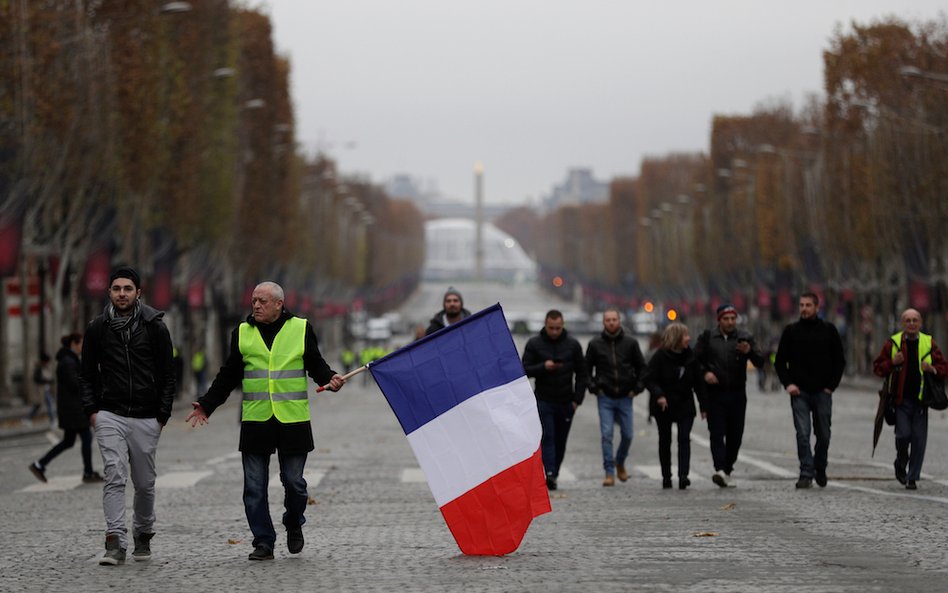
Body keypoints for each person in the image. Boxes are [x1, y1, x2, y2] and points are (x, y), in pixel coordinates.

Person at [186, 281, 345, 561]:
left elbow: (315, 363)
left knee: (295, 483)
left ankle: (294, 521)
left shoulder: (301, 328)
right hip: (256, 420)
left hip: (293, 421)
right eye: (254, 301)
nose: (256, 306)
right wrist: (207, 405)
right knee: (254, 488)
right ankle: (263, 542)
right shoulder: (242, 333)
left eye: (262, 301)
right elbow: (229, 375)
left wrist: (329, 378)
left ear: (279, 304)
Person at [79, 266, 176, 565]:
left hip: (147, 416)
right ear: (109, 292)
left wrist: (162, 414)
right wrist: (93, 412)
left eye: (128, 289)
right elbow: (87, 376)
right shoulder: (97, 329)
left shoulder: (155, 327)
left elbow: (168, 375)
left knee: (145, 484)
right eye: (117, 288)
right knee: (114, 474)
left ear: (138, 293)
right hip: (111, 414)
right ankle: (114, 540)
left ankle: (143, 533)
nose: (122, 293)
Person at [773, 292, 845, 489]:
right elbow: (780, 362)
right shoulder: (790, 331)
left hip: (823, 391)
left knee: (824, 434)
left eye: (808, 305)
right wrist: (788, 384)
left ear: (816, 307)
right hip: (800, 392)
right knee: (803, 433)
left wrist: (831, 386)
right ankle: (806, 471)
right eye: (801, 305)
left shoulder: (829, 330)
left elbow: (839, 360)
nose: (804, 309)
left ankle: (820, 466)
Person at [872, 308, 948, 490]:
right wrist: (893, 363)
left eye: (915, 320)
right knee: (903, 435)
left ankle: (912, 477)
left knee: (919, 440)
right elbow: (878, 368)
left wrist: (932, 369)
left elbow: (944, 368)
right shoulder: (893, 343)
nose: (912, 324)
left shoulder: (929, 343)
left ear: (920, 324)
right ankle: (900, 461)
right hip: (900, 402)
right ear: (902, 323)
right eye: (908, 320)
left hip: (922, 402)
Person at [694, 304, 764, 488]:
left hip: (737, 394)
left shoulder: (744, 337)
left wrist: (749, 351)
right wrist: (705, 374)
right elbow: (694, 362)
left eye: (733, 318)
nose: (730, 322)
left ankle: (727, 468)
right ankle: (719, 469)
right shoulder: (708, 338)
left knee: (735, 436)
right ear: (719, 320)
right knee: (716, 433)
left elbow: (760, 362)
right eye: (726, 319)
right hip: (715, 394)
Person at [522, 309, 587, 491]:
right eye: (551, 328)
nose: (555, 332)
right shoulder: (534, 343)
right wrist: (543, 367)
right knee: (547, 436)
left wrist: (577, 399)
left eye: (558, 328)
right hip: (544, 400)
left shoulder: (573, 345)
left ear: (563, 325)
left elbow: (582, 373)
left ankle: (554, 472)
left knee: (560, 439)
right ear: (545, 325)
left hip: (566, 401)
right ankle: (549, 473)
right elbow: (524, 369)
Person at [28, 334, 104, 484]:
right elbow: (75, 385)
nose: (82, 347)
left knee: (69, 441)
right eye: (81, 344)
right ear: (73, 344)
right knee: (86, 438)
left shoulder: (70, 360)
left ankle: (40, 464)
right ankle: (87, 472)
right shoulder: (67, 362)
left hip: (72, 409)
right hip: (73, 410)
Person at [584, 308, 645, 486]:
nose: (611, 323)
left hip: (626, 395)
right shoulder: (595, 344)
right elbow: (586, 369)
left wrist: (637, 388)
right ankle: (609, 472)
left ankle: (620, 461)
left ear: (619, 321)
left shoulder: (631, 343)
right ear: (603, 322)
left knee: (628, 434)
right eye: (608, 320)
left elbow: (642, 367)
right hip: (605, 396)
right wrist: (594, 388)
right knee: (606, 434)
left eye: (614, 319)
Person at [643, 322, 706, 490]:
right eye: (685, 335)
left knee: (684, 439)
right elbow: (649, 379)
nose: (688, 338)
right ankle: (666, 476)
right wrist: (659, 395)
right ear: (677, 338)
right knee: (665, 440)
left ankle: (683, 475)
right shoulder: (660, 356)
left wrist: (703, 405)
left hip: (685, 404)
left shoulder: (690, 356)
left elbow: (698, 382)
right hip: (664, 405)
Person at [28, 353, 56, 426]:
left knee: (40, 405)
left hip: (45, 389)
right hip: (41, 390)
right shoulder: (39, 368)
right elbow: (37, 379)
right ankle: (52, 420)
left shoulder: (44, 367)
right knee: (44, 404)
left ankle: (28, 418)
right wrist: (47, 381)